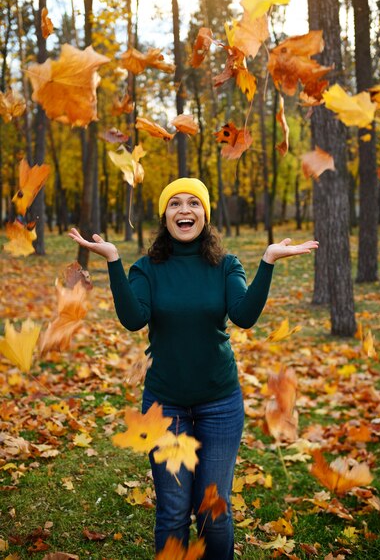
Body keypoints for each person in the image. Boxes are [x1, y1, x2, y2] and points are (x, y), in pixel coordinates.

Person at [68, 177, 318, 560]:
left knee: (213, 513)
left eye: (193, 203)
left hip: (219, 404)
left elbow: (244, 316)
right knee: (171, 514)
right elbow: (134, 320)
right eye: (175, 204)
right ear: (165, 216)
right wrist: (114, 260)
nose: (185, 210)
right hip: (165, 405)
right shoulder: (146, 268)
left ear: (205, 215)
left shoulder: (226, 265)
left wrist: (267, 262)